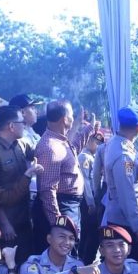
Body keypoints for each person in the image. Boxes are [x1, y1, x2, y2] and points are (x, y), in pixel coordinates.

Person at [32, 100, 99, 253]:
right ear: (65, 119)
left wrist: (89, 130)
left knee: (70, 254)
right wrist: (58, 224)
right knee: (64, 253)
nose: (74, 118)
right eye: (71, 115)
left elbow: (73, 150)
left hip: (69, 205)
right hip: (61, 206)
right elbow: (47, 190)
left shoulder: (60, 140)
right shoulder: (50, 147)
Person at [0, 105, 35, 264]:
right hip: (9, 222)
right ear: (11, 126)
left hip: (24, 215)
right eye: (22, 122)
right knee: (11, 265)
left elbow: (42, 152)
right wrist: (4, 223)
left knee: (27, 263)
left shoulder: (21, 144)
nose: (25, 125)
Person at [104, 104, 138, 261]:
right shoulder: (124, 157)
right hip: (127, 224)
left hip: (129, 221)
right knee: (129, 267)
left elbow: (136, 129)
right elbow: (126, 195)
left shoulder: (117, 141)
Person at [21, 215, 101, 274]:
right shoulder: (33, 264)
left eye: (71, 238)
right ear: (49, 239)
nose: (67, 242)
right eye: (62, 237)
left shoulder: (78, 264)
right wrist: (74, 272)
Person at [78, 132, 105, 264]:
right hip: (89, 201)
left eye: (100, 143)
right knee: (89, 233)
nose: (98, 145)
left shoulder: (93, 156)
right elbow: (86, 182)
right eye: (96, 142)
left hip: (94, 200)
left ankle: (86, 259)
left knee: (91, 232)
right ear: (88, 141)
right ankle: (84, 261)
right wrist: (91, 203)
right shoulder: (84, 157)